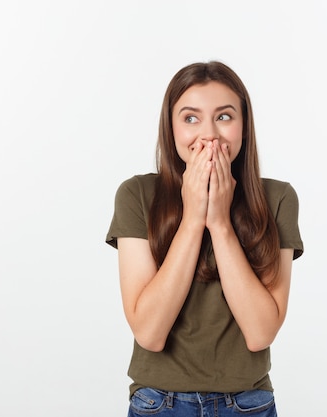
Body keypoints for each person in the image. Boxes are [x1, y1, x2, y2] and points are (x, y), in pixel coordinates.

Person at [106, 60, 303, 417]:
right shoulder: (136, 195)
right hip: (158, 403)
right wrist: (193, 217)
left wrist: (221, 222)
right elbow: (149, 333)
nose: (209, 134)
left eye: (224, 117)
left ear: (244, 126)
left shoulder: (278, 199)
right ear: (171, 127)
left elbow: (260, 332)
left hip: (247, 404)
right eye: (191, 118)